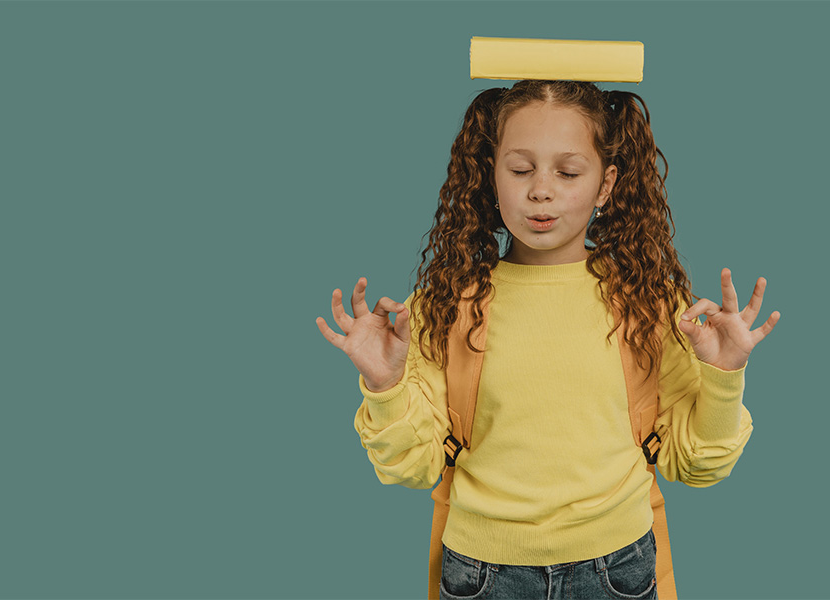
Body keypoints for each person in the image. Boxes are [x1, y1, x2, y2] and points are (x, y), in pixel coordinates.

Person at [316, 80, 780, 600]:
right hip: (481, 574)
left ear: (605, 185)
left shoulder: (648, 303)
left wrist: (723, 376)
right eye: (520, 169)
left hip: (618, 569)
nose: (541, 190)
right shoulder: (446, 305)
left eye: (568, 172)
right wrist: (386, 384)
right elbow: (412, 467)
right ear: (491, 176)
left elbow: (697, 468)